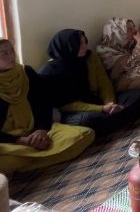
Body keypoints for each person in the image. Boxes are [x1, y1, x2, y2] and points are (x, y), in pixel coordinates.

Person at [0, 39, 94, 176]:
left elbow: (43, 104)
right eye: (4, 54)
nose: (12, 56)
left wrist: (41, 131)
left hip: (34, 132)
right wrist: (20, 140)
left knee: (84, 135)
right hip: (9, 142)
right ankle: (30, 159)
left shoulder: (26, 72)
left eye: (12, 51)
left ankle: (26, 163)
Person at [38, 29, 140, 136]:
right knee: (88, 120)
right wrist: (101, 109)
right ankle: (120, 117)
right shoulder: (50, 73)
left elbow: (104, 83)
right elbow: (66, 105)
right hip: (75, 112)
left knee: (138, 94)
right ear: (69, 47)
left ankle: (113, 120)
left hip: (97, 101)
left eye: (85, 42)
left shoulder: (89, 57)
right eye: (80, 44)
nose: (85, 47)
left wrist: (110, 103)